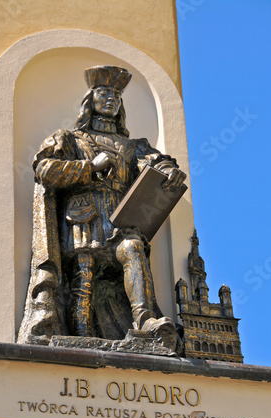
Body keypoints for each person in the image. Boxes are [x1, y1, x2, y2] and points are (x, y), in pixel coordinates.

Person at [18, 65, 186, 346]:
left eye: (117, 96)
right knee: (83, 279)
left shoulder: (133, 146)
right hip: (84, 221)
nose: (112, 99)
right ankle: (81, 338)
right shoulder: (69, 138)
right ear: (89, 100)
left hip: (121, 221)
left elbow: (156, 162)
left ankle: (146, 320)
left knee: (133, 248)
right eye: (105, 92)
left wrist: (169, 169)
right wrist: (88, 167)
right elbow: (45, 169)